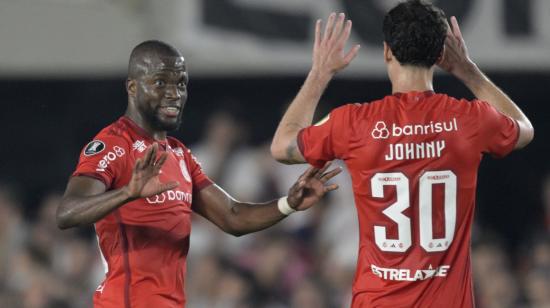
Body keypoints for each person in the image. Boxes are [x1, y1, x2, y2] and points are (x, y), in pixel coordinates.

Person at [270, 1, 534, 307]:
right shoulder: (468, 120)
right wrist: (468, 70)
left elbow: (282, 147)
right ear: (439, 55)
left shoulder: (354, 123)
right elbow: (524, 130)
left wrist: (320, 73)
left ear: (386, 51)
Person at [56, 40, 341, 308]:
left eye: (181, 83)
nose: (174, 93)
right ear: (132, 87)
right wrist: (127, 193)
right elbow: (66, 213)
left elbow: (232, 216)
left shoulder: (179, 154)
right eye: (160, 82)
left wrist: (288, 203)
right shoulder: (114, 144)